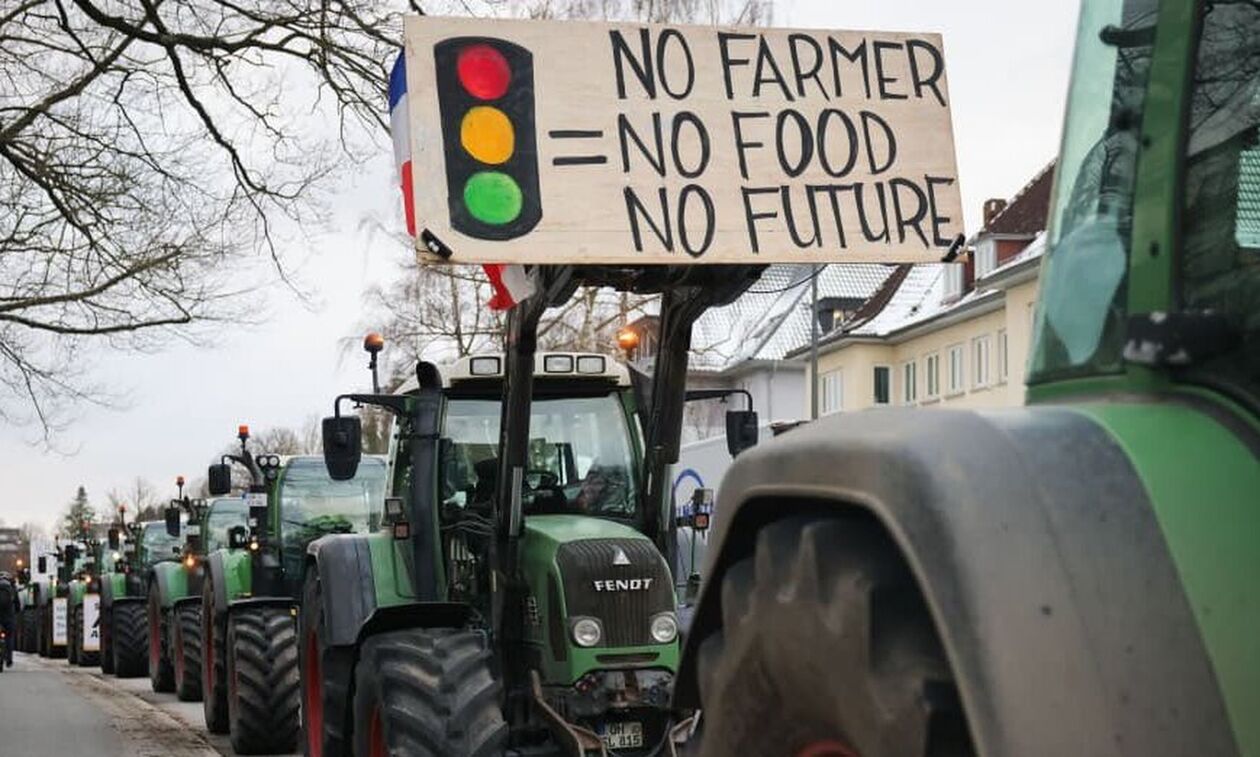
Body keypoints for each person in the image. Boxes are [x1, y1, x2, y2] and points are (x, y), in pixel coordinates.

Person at [0, 572, 16, 667]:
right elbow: (17, 602)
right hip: (8, 617)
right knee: (9, 637)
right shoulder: (11, 588)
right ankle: (9, 659)